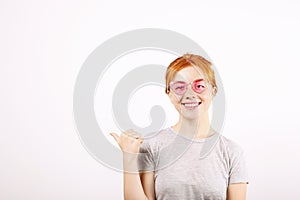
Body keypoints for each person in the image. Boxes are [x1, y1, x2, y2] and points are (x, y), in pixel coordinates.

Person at [111, 53, 249, 200]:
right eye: (179, 87)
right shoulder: (152, 146)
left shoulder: (232, 152)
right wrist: (129, 157)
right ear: (169, 94)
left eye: (199, 86)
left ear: (213, 90)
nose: (189, 94)